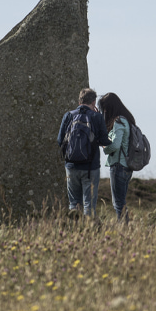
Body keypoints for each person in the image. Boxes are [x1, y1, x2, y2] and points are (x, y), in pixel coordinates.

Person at [56, 88, 111, 218]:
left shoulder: (69, 115)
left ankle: (74, 229)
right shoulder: (97, 117)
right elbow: (104, 140)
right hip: (90, 167)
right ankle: (88, 230)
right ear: (93, 101)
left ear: (80, 100)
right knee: (89, 203)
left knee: (74, 202)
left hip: (71, 166)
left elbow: (60, 141)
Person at [98, 92, 136, 222]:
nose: (105, 111)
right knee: (121, 201)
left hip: (118, 165)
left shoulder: (118, 121)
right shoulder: (127, 119)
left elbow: (115, 145)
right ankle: (125, 226)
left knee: (118, 202)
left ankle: (123, 227)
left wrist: (104, 146)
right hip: (126, 166)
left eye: (105, 108)